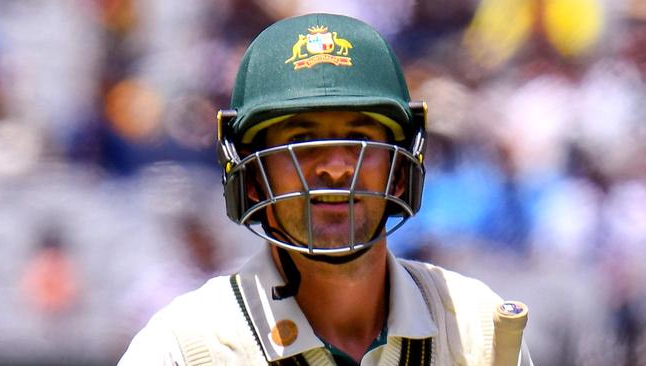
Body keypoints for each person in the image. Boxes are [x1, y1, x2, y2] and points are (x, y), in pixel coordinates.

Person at [118, 13, 533, 366]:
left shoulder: (476, 329)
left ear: (401, 167)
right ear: (253, 176)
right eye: (300, 141)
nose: (336, 169)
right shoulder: (185, 349)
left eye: (358, 139)